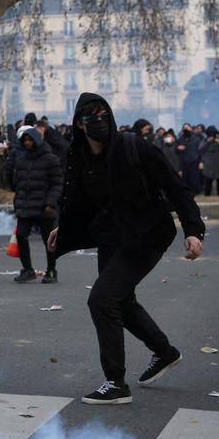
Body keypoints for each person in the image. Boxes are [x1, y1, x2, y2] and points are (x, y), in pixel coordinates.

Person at [49, 93, 204, 405]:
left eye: (103, 114)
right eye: (91, 116)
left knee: (102, 299)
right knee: (120, 300)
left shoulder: (134, 147)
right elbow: (75, 198)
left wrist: (193, 231)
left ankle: (115, 383)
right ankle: (164, 352)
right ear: (80, 123)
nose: (98, 121)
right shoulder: (79, 155)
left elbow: (176, 188)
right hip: (112, 236)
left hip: (147, 235)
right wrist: (61, 227)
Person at [10, 126, 63, 282]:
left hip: (44, 207)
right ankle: (27, 269)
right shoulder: (21, 160)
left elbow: (57, 184)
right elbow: (17, 183)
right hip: (26, 206)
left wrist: (50, 203)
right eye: (25, 140)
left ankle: (51, 270)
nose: (27, 143)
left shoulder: (50, 159)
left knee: (48, 241)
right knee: (20, 235)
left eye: (30, 140)